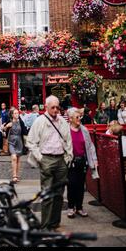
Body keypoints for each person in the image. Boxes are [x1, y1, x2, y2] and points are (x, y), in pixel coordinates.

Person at [26, 95, 73, 231]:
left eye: (57, 107)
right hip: (46, 158)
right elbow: (31, 142)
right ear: (46, 107)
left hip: (61, 160)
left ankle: (54, 222)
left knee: (59, 194)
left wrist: (67, 158)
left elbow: (68, 140)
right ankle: (45, 226)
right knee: (47, 194)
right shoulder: (40, 121)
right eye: (52, 107)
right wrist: (40, 158)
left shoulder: (63, 122)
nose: (55, 110)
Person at [67, 108, 98, 219]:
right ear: (70, 119)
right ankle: (71, 207)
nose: (79, 118)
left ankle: (79, 207)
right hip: (71, 162)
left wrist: (94, 160)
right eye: (77, 117)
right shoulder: (66, 130)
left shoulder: (84, 130)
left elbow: (90, 146)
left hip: (82, 162)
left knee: (80, 185)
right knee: (71, 185)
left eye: (80, 116)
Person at [3, 107, 28, 183]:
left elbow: (25, 132)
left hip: (19, 142)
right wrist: (7, 126)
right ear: (12, 115)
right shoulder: (9, 121)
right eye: (15, 113)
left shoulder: (21, 122)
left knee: (18, 160)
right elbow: (4, 130)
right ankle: (14, 176)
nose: (17, 114)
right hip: (11, 141)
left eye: (18, 113)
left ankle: (17, 175)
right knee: (14, 157)